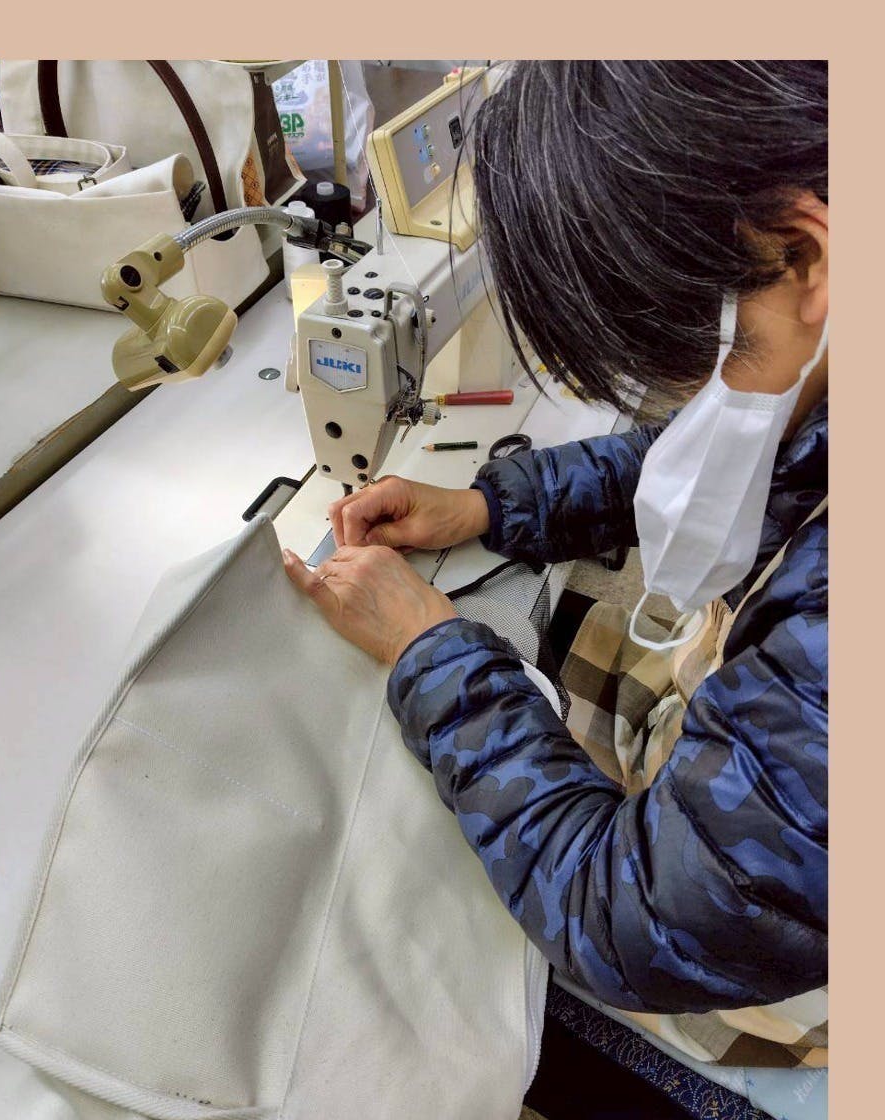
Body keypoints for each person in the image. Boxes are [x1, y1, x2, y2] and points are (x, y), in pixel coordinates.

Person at [282, 60, 828, 1068]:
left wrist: (432, 654)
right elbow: (740, 447)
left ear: (801, 256)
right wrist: (494, 503)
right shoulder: (826, 349)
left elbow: (631, 919)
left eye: (671, 360)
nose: (669, 400)